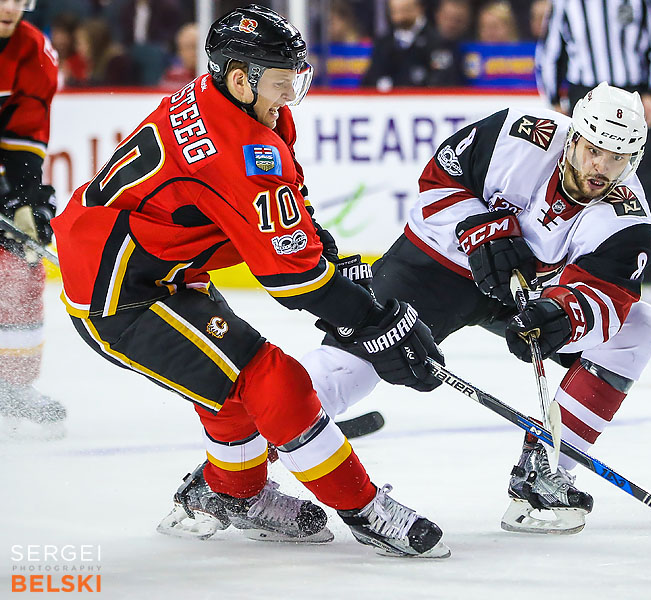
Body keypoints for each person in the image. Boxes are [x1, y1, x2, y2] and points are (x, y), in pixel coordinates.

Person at [51, 4, 448, 558]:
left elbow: (287, 217)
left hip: (153, 265)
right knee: (273, 380)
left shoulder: (231, 100)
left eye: (296, 79)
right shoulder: (241, 149)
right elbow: (293, 281)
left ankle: (232, 495)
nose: (291, 94)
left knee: (227, 387)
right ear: (241, 78)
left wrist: (326, 258)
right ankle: (364, 509)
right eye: (282, 82)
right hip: (119, 293)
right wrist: (376, 321)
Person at [297, 82, 651, 535]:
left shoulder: (628, 219)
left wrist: (560, 317)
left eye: (618, 158)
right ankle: (234, 470)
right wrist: (481, 230)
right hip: (432, 268)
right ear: (574, 137)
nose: (601, 168)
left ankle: (546, 471)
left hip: (519, 293)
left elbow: (606, 296)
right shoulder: (518, 134)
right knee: (346, 370)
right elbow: (436, 180)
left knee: (639, 328)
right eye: (593, 150)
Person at [536, 0, 651, 303]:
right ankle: (577, 262)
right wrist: (553, 98)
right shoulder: (567, 3)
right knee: (580, 178)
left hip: (633, 95)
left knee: (646, 178)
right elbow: (550, 50)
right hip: (586, 94)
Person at [0, 0, 66, 435]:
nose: (8, 6)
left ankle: (13, 390)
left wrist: (24, 202)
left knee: (19, 265)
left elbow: (24, 138)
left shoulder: (34, 53)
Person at [361, 0, 463, 90]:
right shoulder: (383, 43)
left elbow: (444, 82)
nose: (399, 16)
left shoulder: (437, 43)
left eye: (405, 10)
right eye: (395, 11)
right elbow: (369, 81)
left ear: (419, 8)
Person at [159, 22, 198, 91]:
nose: (193, 53)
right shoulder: (172, 77)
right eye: (188, 47)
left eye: (196, 47)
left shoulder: (215, 79)